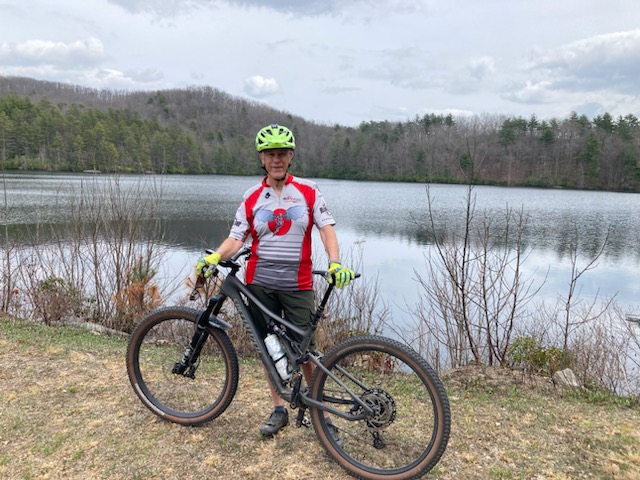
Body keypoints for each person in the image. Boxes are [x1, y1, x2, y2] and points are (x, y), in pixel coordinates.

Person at [195, 124, 355, 437]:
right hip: (259, 284)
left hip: (298, 284)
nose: (276, 159)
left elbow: (326, 228)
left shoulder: (308, 191)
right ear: (262, 158)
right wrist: (215, 256)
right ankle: (279, 408)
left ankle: (319, 414)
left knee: (304, 351)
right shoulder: (253, 196)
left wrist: (335, 262)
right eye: (270, 154)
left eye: (282, 153)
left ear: (291, 156)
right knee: (268, 347)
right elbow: (237, 237)